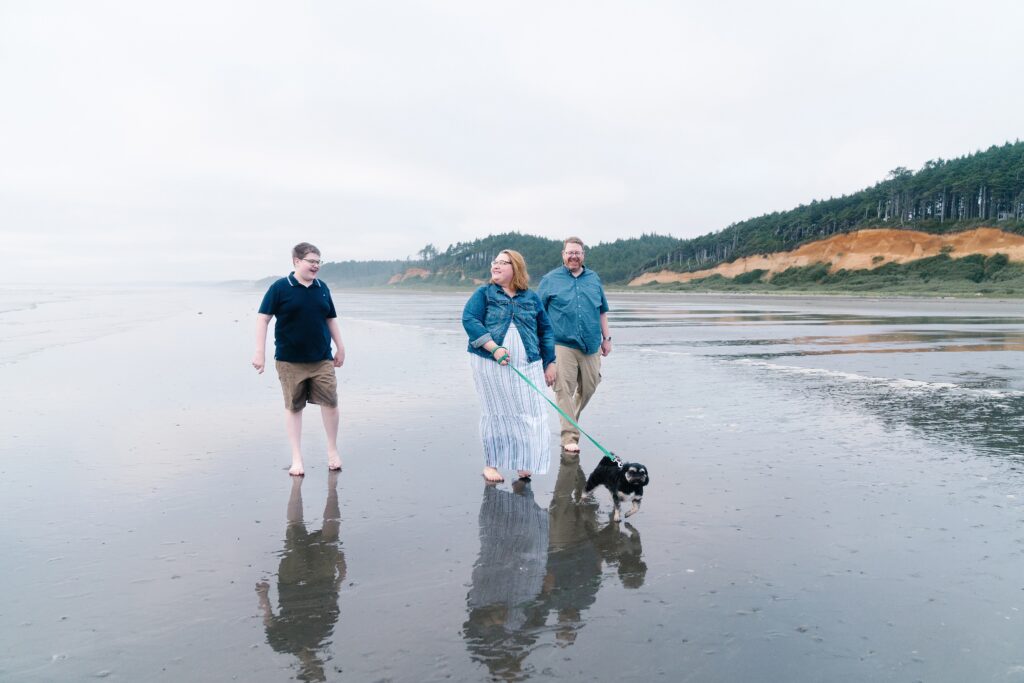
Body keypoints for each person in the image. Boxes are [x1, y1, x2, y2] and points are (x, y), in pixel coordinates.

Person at [462, 249, 557, 483]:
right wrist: (494, 347)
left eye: (502, 262)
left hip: (529, 362)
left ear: (515, 268)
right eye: (495, 262)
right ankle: (491, 465)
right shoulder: (484, 293)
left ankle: (523, 461)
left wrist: (550, 362)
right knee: (496, 411)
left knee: (531, 410)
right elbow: (470, 319)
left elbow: (545, 329)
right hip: (490, 362)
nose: (495, 265)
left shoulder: (530, 297)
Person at [253, 242, 346, 476]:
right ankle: (297, 458)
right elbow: (263, 319)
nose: (316, 266)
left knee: (331, 403)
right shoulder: (280, 288)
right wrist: (259, 352)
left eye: (318, 262)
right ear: (296, 261)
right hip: (289, 360)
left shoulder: (322, 288)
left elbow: (330, 319)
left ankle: (332, 451)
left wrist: (341, 347)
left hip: (321, 358)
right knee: (294, 407)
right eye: (311, 261)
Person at [537, 237, 612, 453]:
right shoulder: (550, 280)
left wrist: (607, 339)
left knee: (590, 387)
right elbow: (538, 314)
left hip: (591, 344)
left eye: (577, 253)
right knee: (563, 389)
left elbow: (602, 311)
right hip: (561, 343)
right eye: (570, 252)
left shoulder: (593, 279)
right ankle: (569, 436)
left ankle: (570, 419)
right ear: (563, 255)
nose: (573, 256)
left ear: (583, 255)